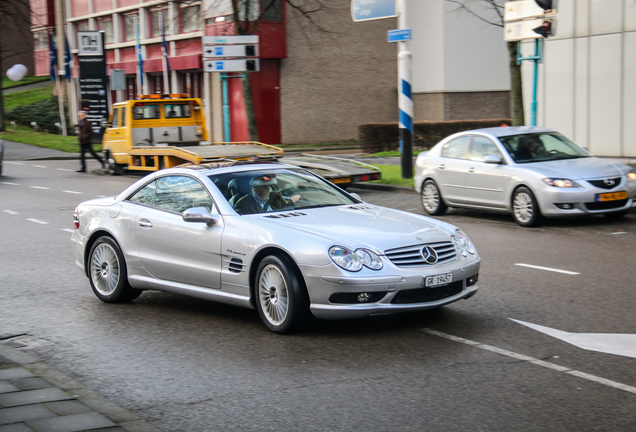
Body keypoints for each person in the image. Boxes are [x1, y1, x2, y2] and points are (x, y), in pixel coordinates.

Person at [234, 174, 300, 215]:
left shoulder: (275, 196)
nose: (263, 190)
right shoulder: (242, 204)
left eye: (266, 186)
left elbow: (285, 208)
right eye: (259, 187)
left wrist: (291, 201)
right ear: (252, 188)